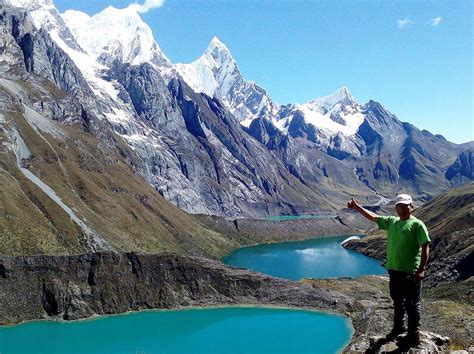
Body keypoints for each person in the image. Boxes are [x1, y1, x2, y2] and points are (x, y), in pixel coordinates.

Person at [347, 194, 430, 346]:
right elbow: (373, 217)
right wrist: (357, 207)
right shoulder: (392, 222)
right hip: (394, 271)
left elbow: (425, 246)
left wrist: (421, 269)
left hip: (411, 273)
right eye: (400, 206)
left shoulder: (418, 225)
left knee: (412, 304)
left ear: (412, 207)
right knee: (398, 302)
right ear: (396, 208)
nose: (403, 209)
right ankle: (398, 328)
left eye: (406, 206)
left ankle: (413, 334)